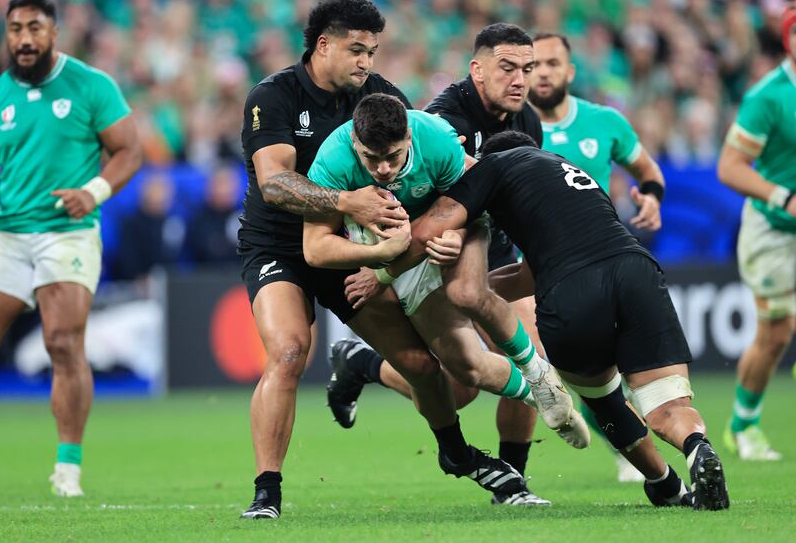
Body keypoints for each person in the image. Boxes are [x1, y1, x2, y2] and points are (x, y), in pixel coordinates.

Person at [238, 0, 529, 520]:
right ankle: (267, 493)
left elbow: (423, 180)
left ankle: (454, 451)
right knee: (287, 352)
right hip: (281, 247)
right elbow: (274, 183)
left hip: (358, 251)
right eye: (356, 50)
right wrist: (348, 201)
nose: (366, 62)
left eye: (372, 51)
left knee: (421, 363)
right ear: (323, 44)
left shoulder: (382, 98)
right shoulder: (274, 96)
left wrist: (443, 236)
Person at [372, 130, 730, 511]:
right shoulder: (566, 169)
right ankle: (697, 448)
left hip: (571, 289)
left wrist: (382, 275)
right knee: (666, 405)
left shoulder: (492, 166)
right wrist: (473, 296)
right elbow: (526, 277)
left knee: (606, 402)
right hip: (637, 271)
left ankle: (665, 484)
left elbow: (430, 229)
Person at [325, 23, 552, 505]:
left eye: (527, 69)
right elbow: (414, 200)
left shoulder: (527, 120)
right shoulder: (440, 121)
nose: (519, 80)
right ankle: (365, 363)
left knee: (526, 353)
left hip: (497, 249)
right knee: (461, 385)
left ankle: (512, 478)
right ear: (478, 69)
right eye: (507, 68)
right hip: (438, 254)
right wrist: (439, 240)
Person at [304, 94, 587, 481]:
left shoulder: (433, 137)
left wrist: (454, 231)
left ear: (408, 138)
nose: (384, 169)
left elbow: (475, 201)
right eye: (372, 159)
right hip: (386, 256)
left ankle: (538, 383)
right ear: (355, 141)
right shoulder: (333, 159)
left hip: (442, 239)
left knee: (468, 293)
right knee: (463, 379)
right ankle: (540, 393)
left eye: (394, 156)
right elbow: (314, 248)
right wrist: (382, 255)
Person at [0, 0, 141, 497]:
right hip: (7, 232)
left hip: (67, 231)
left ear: (54, 33)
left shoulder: (89, 85)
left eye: (34, 27)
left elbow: (129, 150)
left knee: (61, 341)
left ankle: (68, 467)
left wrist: (93, 192)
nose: (24, 38)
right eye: (15, 28)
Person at [528, 32, 666, 481]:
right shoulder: (511, 130)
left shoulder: (605, 121)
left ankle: (634, 447)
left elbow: (647, 170)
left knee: (608, 367)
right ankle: (628, 448)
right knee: (551, 364)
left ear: (570, 71)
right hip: (532, 267)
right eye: (535, 65)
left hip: (602, 261)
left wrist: (650, 197)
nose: (543, 72)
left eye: (552, 63)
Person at [717, 3, 796, 462]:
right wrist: (782, 196)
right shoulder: (768, 97)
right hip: (774, 228)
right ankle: (742, 427)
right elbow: (729, 167)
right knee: (777, 331)